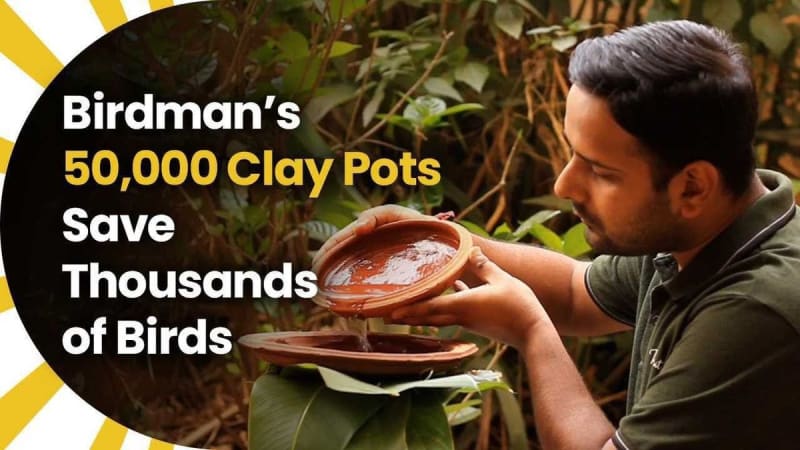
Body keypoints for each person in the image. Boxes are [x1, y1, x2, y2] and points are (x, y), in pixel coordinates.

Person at [313, 20, 800, 450]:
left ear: (692, 185)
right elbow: (573, 293)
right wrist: (433, 243)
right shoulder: (703, 234)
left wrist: (531, 331)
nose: (563, 185)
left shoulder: (757, 309)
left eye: (600, 171)